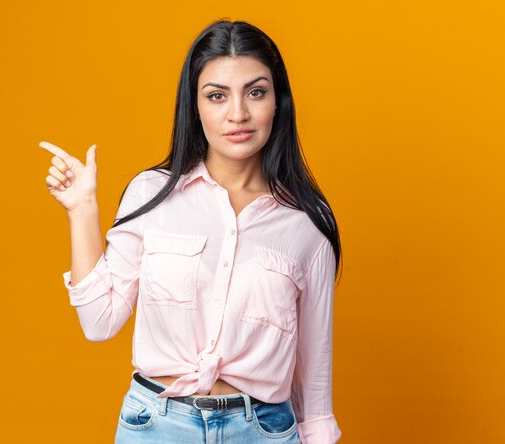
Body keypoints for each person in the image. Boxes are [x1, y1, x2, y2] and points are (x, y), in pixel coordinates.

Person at [40, 18, 342, 444]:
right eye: (217, 96)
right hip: (157, 427)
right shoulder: (152, 194)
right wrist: (83, 209)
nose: (238, 113)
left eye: (255, 92)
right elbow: (99, 321)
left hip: (263, 431)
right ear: (194, 106)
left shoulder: (308, 222)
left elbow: (314, 367)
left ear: (278, 103)